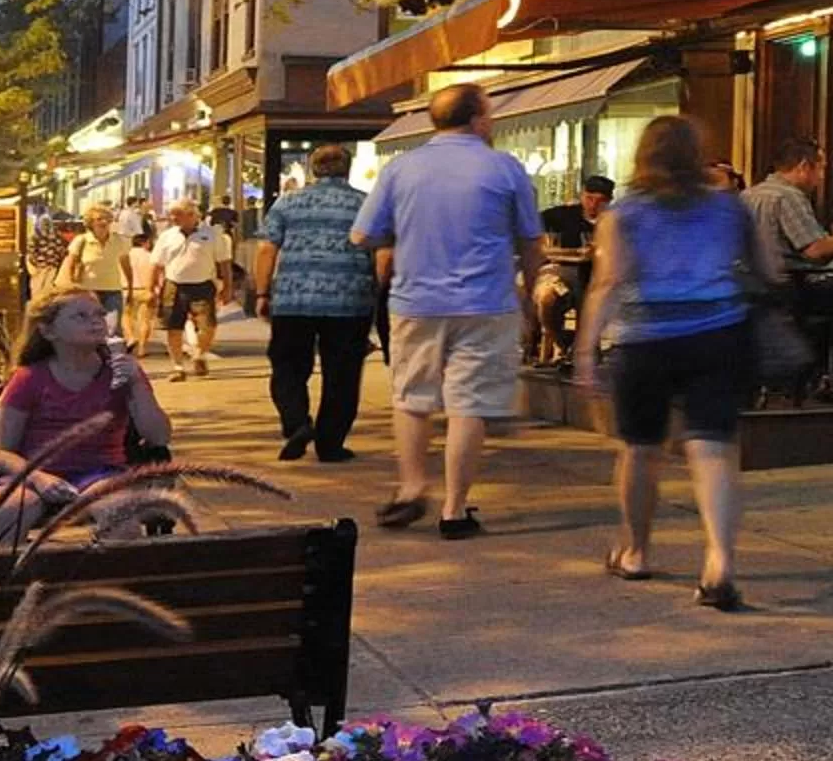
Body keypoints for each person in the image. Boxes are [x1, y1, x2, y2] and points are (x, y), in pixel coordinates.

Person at [571, 115, 779, 611]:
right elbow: (769, 269)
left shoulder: (622, 215)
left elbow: (608, 282)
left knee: (641, 449)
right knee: (712, 450)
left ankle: (637, 551)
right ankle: (719, 563)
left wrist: (585, 352)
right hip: (719, 334)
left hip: (645, 340)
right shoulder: (730, 209)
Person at [350, 82, 544, 540]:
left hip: (416, 300)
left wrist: (410, 233)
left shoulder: (402, 168)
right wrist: (531, 296)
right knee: (468, 405)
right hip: (486, 303)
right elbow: (531, 241)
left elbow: (362, 235)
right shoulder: (505, 168)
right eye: (490, 114)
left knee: (412, 399)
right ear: (477, 119)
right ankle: (455, 510)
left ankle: (412, 485)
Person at [0, 291, 173, 533]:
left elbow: (159, 437)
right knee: (10, 510)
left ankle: (112, 569)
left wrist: (136, 383)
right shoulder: (30, 377)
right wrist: (39, 478)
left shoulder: (120, 372)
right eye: (81, 316)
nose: (95, 321)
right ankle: (10, 570)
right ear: (48, 331)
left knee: (120, 515)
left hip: (101, 474)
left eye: (99, 314)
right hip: (32, 475)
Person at [254, 143, 377, 462]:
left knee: (288, 367)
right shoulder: (365, 205)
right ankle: (330, 444)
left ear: (312, 170)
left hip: (294, 298)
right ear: (347, 169)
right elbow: (381, 252)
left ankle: (296, 422)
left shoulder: (288, 203)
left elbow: (267, 249)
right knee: (343, 374)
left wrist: (262, 292)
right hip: (349, 299)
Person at [740, 139, 833, 272]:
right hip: (787, 285)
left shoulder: (747, 194)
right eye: (821, 168)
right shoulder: (788, 196)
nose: (822, 177)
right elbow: (814, 252)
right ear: (804, 166)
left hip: (746, 284)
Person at [530, 175, 616, 366]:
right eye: (589, 198)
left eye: (600, 201)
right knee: (546, 296)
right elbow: (532, 225)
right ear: (582, 195)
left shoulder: (613, 222)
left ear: (609, 201)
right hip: (562, 271)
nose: (593, 205)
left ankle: (583, 348)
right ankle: (563, 343)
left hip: (597, 277)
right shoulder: (564, 215)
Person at [144, 200, 223, 380]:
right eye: (172, 214)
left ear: (192, 215)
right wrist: (150, 288)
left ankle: (199, 354)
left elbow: (223, 262)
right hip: (174, 285)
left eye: (177, 214)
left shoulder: (211, 235)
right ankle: (178, 367)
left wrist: (227, 287)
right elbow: (155, 264)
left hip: (203, 284)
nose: (173, 218)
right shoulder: (167, 236)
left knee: (208, 326)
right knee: (173, 327)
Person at [58, 204, 135, 348]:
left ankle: (112, 361)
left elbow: (126, 266)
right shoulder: (82, 241)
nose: (103, 222)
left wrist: (130, 288)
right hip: (88, 291)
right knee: (89, 326)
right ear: (91, 223)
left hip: (113, 290)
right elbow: (70, 264)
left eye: (107, 219)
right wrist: (71, 286)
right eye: (99, 219)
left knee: (113, 329)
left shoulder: (118, 241)